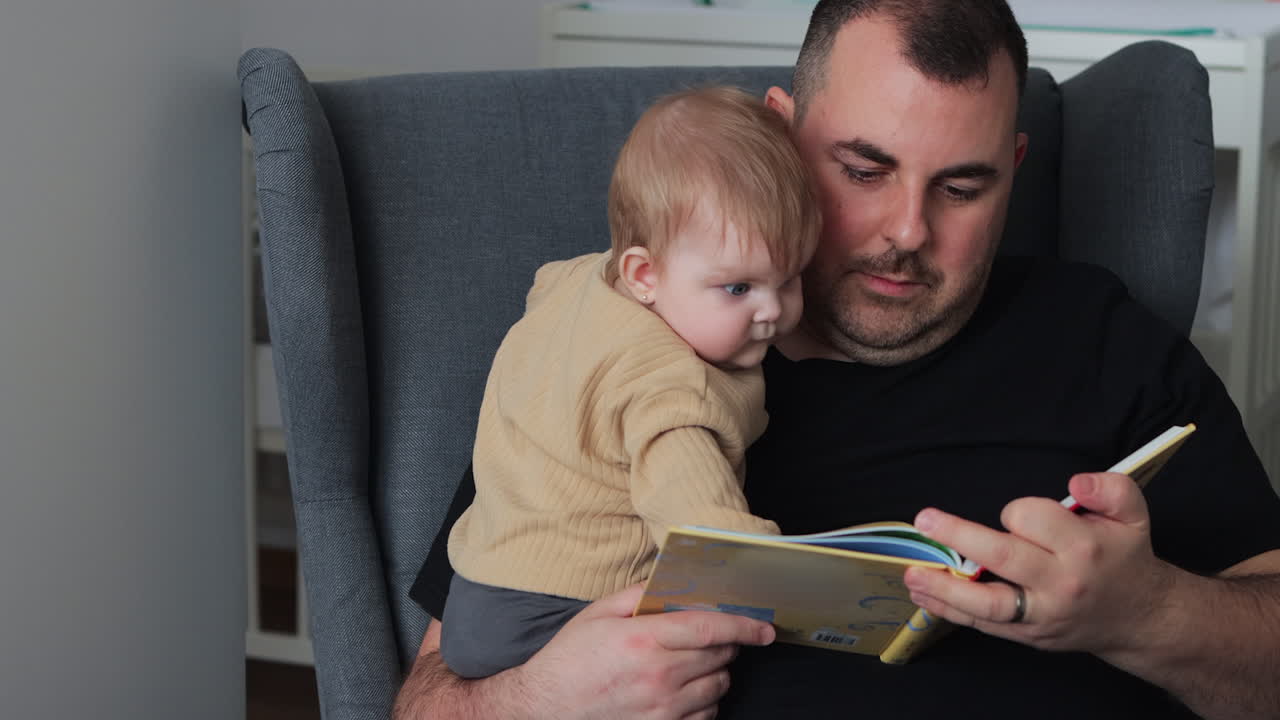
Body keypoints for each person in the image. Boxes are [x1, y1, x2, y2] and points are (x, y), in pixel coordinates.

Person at [395, 1, 1280, 718]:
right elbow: (428, 695)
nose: (907, 232)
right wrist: (541, 699)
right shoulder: (621, 339)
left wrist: (1148, 615)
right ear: (781, 136)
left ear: (1015, 168)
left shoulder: (1097, 337)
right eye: (862, 169)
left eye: (962, 187)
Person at [438, 86, 820, 679]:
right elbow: (706, 532)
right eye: (739, 288)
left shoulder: (579, 280)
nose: (774, 311)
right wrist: (816, 586)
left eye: (790, 278)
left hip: (474, 592)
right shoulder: (669, 386)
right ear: (646, 274)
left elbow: (544, 287)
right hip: (554, 612)